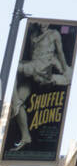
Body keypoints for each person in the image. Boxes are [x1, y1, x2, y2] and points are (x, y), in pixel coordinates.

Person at [9, 22, 71, 151]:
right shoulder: (33, 35)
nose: (43, 24)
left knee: (15, 68)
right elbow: (34, 53)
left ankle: (14, 103)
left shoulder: (54, 34)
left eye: (46, 22)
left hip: (40, 69)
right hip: (33, 69)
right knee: (19, 103)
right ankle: (26, 136)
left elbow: (60, 53)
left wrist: (64, 69)